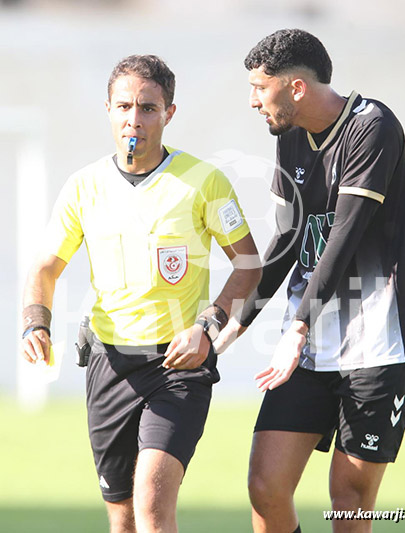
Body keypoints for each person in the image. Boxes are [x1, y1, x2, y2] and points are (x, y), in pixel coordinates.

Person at [21, 54, 261, 533]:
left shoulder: (204, 181)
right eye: (125, 106)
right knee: (124, 518)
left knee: (151, 503)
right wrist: (35, 323)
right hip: (109, 364)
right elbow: (45, 266)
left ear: (169, 113)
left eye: (148, 108)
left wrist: (207, 328)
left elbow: (249, 265)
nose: (135, 119)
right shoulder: (83, 186)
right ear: (108, 110)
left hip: (179, 366)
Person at [214, 29, 405, 533]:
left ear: (295, 88)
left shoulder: (373, 126)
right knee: (265, 486)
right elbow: (288, 241)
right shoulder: (289, 135)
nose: (253, 101)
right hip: (310, 350)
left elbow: (343, 238)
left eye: (259, 88)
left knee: (348, 500)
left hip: (378, 345)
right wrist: (233, 324)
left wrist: (296, 328)